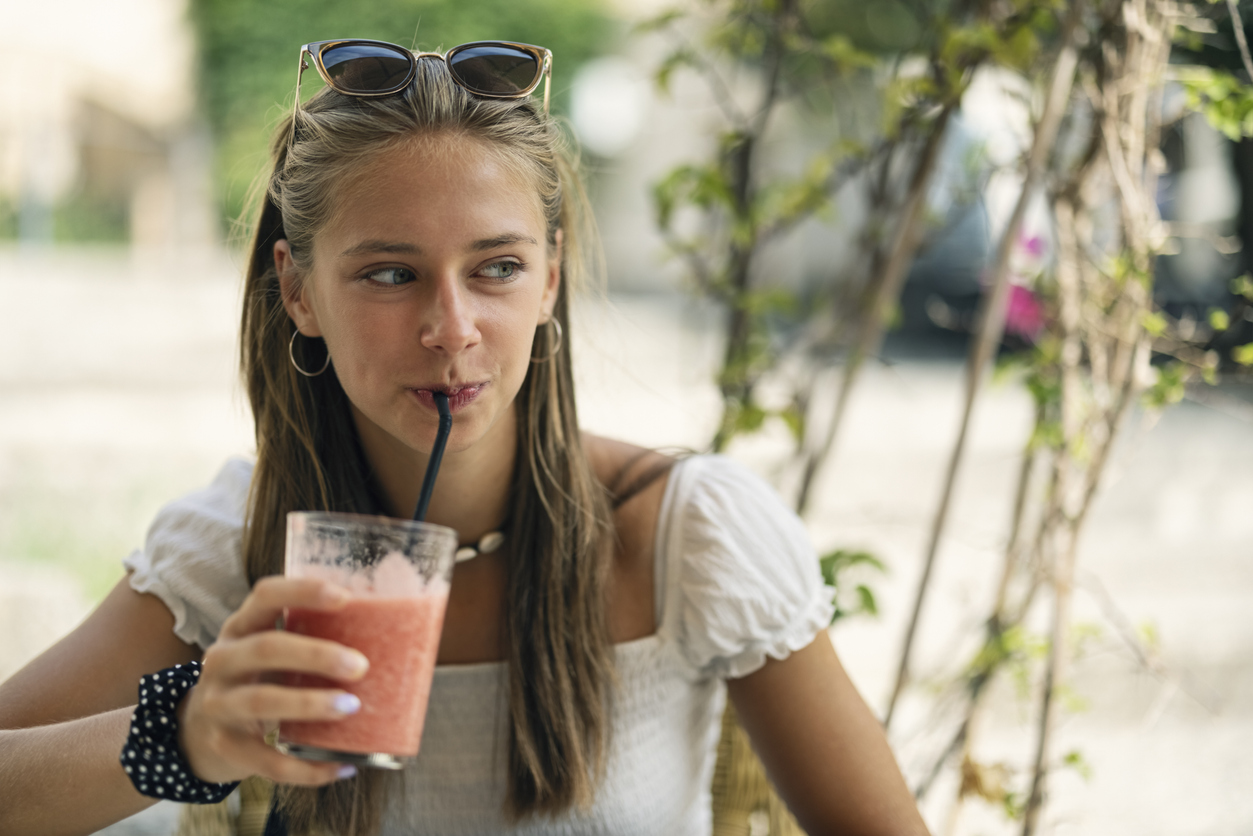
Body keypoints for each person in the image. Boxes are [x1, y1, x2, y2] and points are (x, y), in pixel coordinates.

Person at [0, 38, 931, 836]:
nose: (452, 328)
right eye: (391, 274)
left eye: (496, 267)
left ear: (551, 280)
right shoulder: (242, 547)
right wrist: (183, 734)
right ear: (297, 292)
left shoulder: (688, 534)